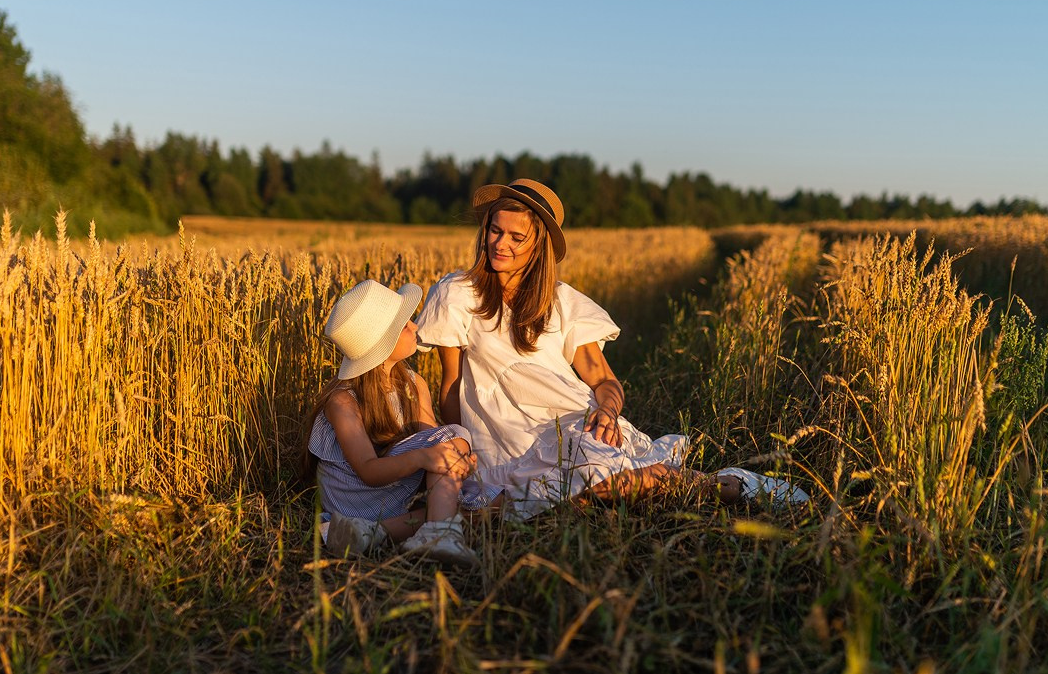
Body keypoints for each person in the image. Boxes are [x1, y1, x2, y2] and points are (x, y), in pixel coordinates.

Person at [415, 178, 808, 518]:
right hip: (498, 442)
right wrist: (458, 450)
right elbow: (451, 387)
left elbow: (603, 378)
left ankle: (726, 485)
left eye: (517, 237)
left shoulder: (561, 301)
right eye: (495, 231)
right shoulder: (457, 293)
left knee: (607, 486)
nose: (501, 244)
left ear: (539, 247)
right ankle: (712, 486)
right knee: (566, 498)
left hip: (567, 424)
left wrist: (606, 409)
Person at [300, 279, 502, 567]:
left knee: (494, 503)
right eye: (406, 324)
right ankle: (439, 534)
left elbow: (432, 436)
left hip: (396, 487)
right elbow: (369, 472)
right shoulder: (343, 402)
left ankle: (375, 533)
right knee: (455, 436)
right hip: (358, 496)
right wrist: (427, 455)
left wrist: (458, 461)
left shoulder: (413, 383)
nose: (415, 327)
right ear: (383, 343)